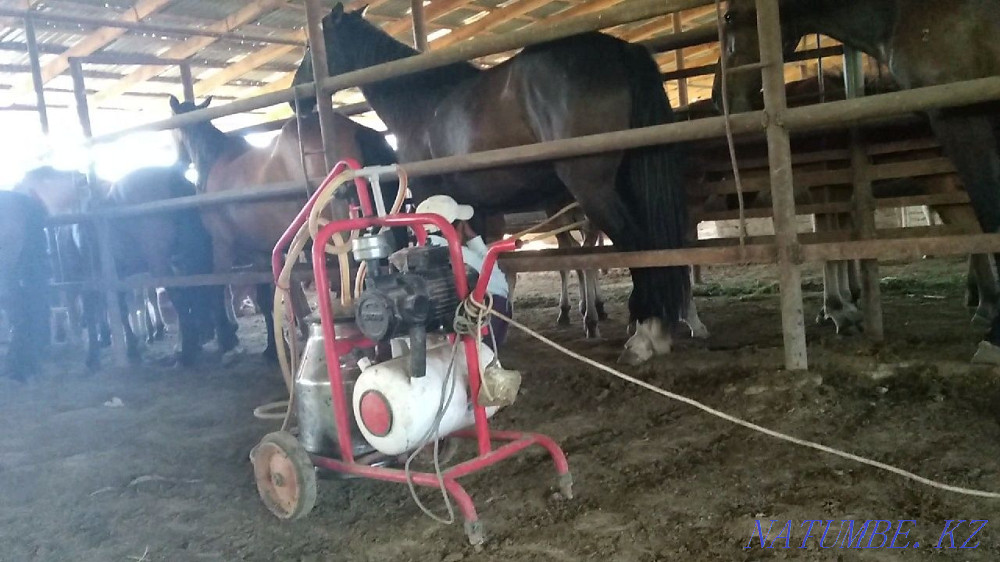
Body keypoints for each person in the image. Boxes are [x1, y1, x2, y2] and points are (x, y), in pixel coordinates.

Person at [415, 195, 512, 349]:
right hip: (472, 323)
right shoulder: (461, 254)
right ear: (458, 227)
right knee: (500, 301)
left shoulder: (414, 255)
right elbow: (500, 286)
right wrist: (474, 238)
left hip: (432, 325)